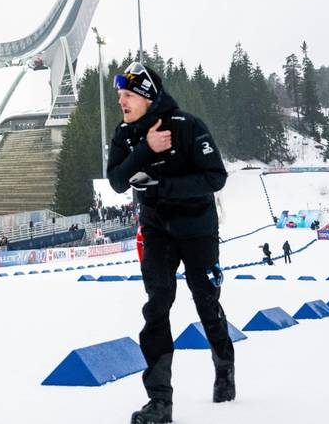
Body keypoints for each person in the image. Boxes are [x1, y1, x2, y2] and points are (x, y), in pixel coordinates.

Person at [107, 62, 233, 424]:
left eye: (128, 95)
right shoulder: (126, 134)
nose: (122, 102)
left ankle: (224, 367)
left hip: (197, 229)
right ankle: (160, 400)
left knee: (206, 301)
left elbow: (216, 177)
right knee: (157, 306)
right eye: (119, 96)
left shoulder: (187, 126)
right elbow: (116, 180)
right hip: (157, 229)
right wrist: (145, 149)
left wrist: (165, 188)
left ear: (147, 97)